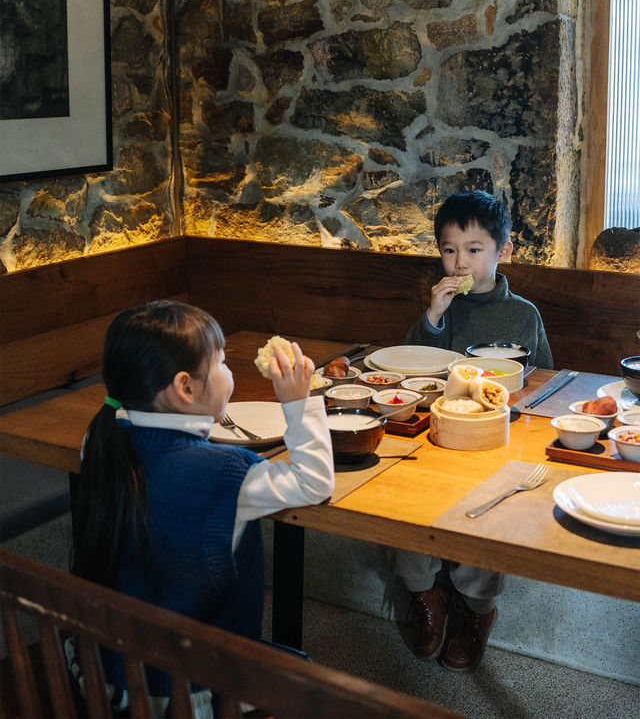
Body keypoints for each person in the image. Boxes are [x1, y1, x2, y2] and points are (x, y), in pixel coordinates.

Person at [68, 300, 334, 717]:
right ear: (185, 388)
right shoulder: (226, 474)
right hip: (187, 694)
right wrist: (299, 401)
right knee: (309, 679)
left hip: (103, 673)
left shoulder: (100, 440)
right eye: (223, 363)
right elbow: (314, 482)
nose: (230, 372)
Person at [395, 190, 553, 674]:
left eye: (474, 249)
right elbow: (411, 366)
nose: (459, 262)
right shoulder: (442, 305)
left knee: (490, 513)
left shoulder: (523, 314)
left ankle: (475, 609)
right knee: (402, 501)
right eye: (448, 249)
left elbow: (543, 379)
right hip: (436, 432)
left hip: (493, 438)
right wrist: (433, 318)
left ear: (503, 251)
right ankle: (425, 593)